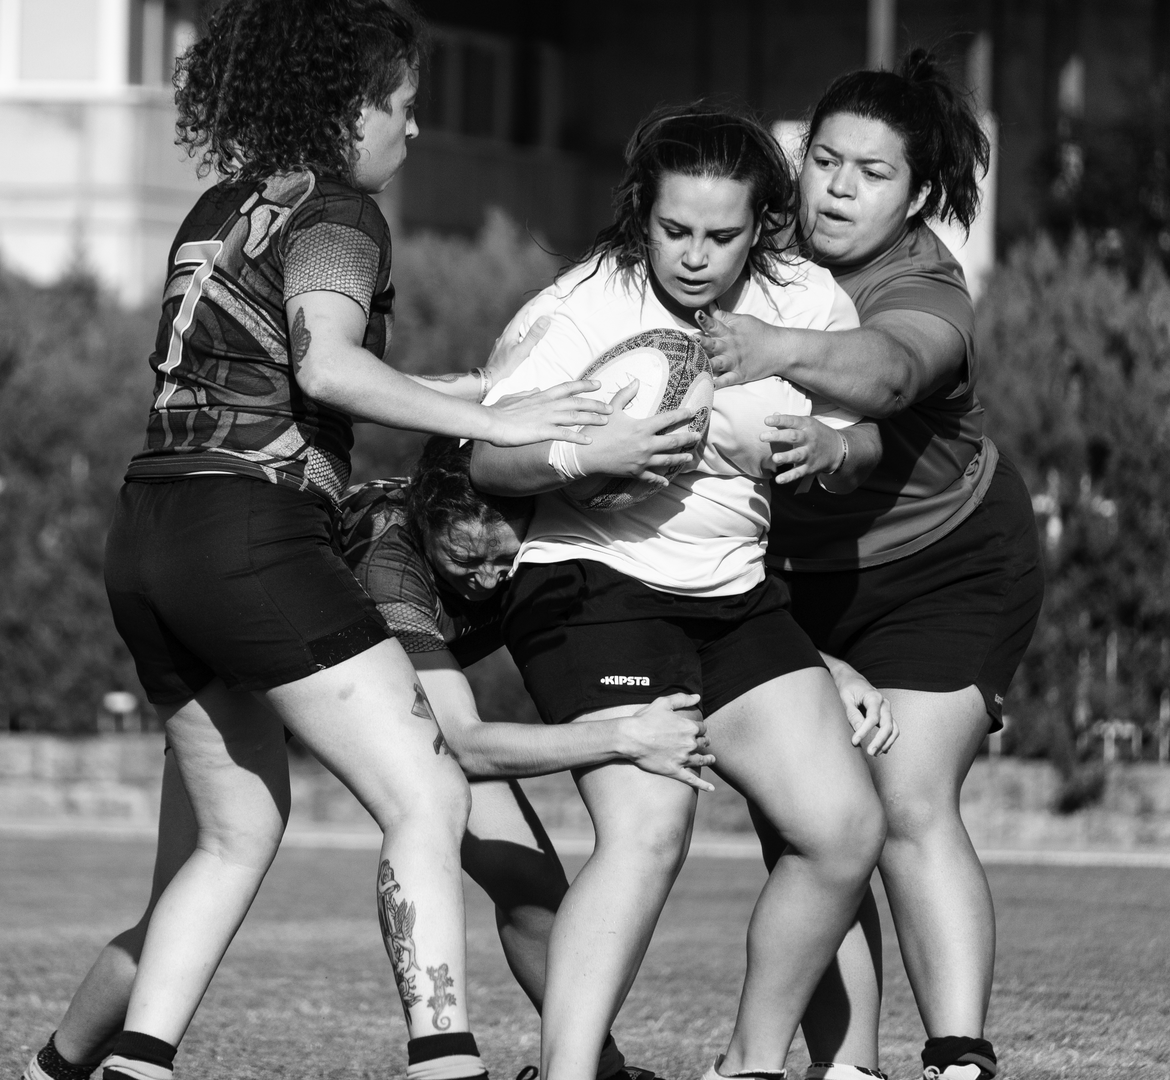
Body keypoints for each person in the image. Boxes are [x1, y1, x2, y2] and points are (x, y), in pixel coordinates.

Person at [64, 4, 613, 1080]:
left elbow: (273, 372)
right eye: (402, 108)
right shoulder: (342, 211)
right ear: (346, 105)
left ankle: (130, 1062)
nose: (410, 132)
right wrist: (500, 425)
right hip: (249, 536)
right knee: (430, 792)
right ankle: (446, 1059)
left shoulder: (226, 206)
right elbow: (324, 367)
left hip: (150, 538)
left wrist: (487, 389)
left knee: (233, 834)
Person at [19, 436, 710, 1080]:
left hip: (342, 677)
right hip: (246, 683)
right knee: (181, 908)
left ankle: (596, 1067)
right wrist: (623, 735)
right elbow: (461, 742)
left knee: (526, 877)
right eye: (465, 560)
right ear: (426, 518)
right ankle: (55, 1068)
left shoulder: (532, 527)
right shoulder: (390, 560)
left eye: (504, 559)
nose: (489, 581)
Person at [469, 106, 897, 1080]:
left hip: (733, 594)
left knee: (843, 831)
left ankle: (747, 1064)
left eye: (722, 235)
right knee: (650, 827)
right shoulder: (581, 306)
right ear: (641, 215)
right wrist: (588, 451)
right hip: (590, 585)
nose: (695, 256)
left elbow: (865, 428)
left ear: (762, 227)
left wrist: (828, 450)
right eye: (674, 231)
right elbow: (489, 465)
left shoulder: (803, 301)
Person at [696, 52, 1044, 1080]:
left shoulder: (923, 282)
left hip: (949, 565)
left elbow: (888, 371)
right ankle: (848, 1068)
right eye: (826, 161)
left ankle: (959, 1057)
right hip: (801, 585)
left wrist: (772, 347)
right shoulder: (753, 256)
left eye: (873, 172)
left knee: (902, 797)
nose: (840, 189)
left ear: (917, 193)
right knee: (816, 824)